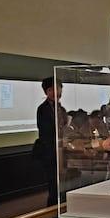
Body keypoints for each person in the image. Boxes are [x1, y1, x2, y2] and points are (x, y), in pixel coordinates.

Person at [35, 76, 67, 207]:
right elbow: (45, 131)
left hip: (62, 150)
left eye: (58, 88)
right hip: (50, 152)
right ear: (46, 92)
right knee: (53, 183)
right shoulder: (43, 109)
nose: (56, 92)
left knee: (63, 182)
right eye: (51, 89)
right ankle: (52, 210)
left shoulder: (61, 109)